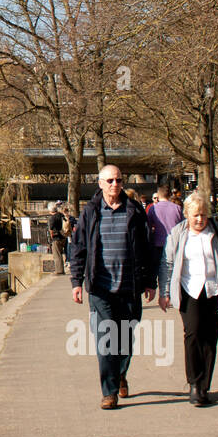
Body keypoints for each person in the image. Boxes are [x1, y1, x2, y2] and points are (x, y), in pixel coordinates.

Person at [69, 164, 157, 410]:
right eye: (109, 181)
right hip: (100, 288)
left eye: (118, 180)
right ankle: (109, 392)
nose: (114, 185)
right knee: (106, 341)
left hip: (130, 287)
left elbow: (147, 249)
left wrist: (151, 281)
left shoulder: (135, 210)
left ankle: (120, 374)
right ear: (100, 183)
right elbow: (78, 248)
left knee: (126, 342)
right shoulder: (91, 212)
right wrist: (76, 281)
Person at [158, 192, 218, 406]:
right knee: (193, 334)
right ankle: (193, 383)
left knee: (210, 339)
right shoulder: (178, 233)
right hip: (189, 290)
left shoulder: (217, 231)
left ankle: (204, 386)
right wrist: (165, 292)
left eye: (203, 215)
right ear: (186, 215)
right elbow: (167, 264)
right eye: (195, 215)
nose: (200, 219)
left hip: (214, 289)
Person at [146, 186, 183, 284]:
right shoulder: (178, 208)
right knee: (174, 273)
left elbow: (148, 227)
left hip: (158, 244)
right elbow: (183, 227)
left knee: (160, 272)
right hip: (176, 244)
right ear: (170, 194)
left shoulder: (153, 208)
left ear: (158, 195)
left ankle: (162, 293)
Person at [48, 202, 68, 274]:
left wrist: (51, 237)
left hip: (56, 238)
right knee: (62, 253)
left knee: (57, 255)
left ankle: (59, 271)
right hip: (63, 236)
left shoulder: (52, 218)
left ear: (50, 210)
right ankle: (62, 269)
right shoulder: (61, 215)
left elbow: (51, 229)